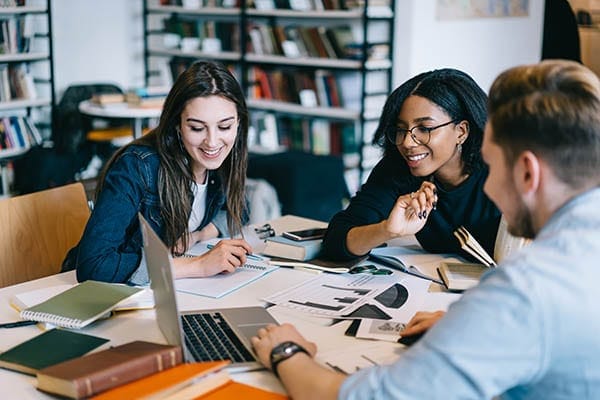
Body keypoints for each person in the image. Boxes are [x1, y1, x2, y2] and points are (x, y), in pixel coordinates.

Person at [251, 60, 600, 399]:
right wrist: (474, 326)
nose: (489, 186)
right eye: (402, 130)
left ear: (527, 172)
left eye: (492, 167)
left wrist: (286, 352)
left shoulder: (523, 290)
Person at [63, 61, 254, 285]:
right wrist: (199, 265)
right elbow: (93, 266)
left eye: (224, 127)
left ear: (238, 123)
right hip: (105, 294)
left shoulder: (222, 159)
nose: (212, 142)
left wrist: (198, 236)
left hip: (170, 291)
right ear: (177, 125)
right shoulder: (137, 167)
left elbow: (239, 208)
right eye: (196, 128)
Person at [321, 68, 501, 262]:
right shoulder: (399, 169)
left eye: (424, 128)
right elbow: (335, 241)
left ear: (461, 131)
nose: (407, 142)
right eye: (401, 129)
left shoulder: (504, 172)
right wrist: (386, 230)